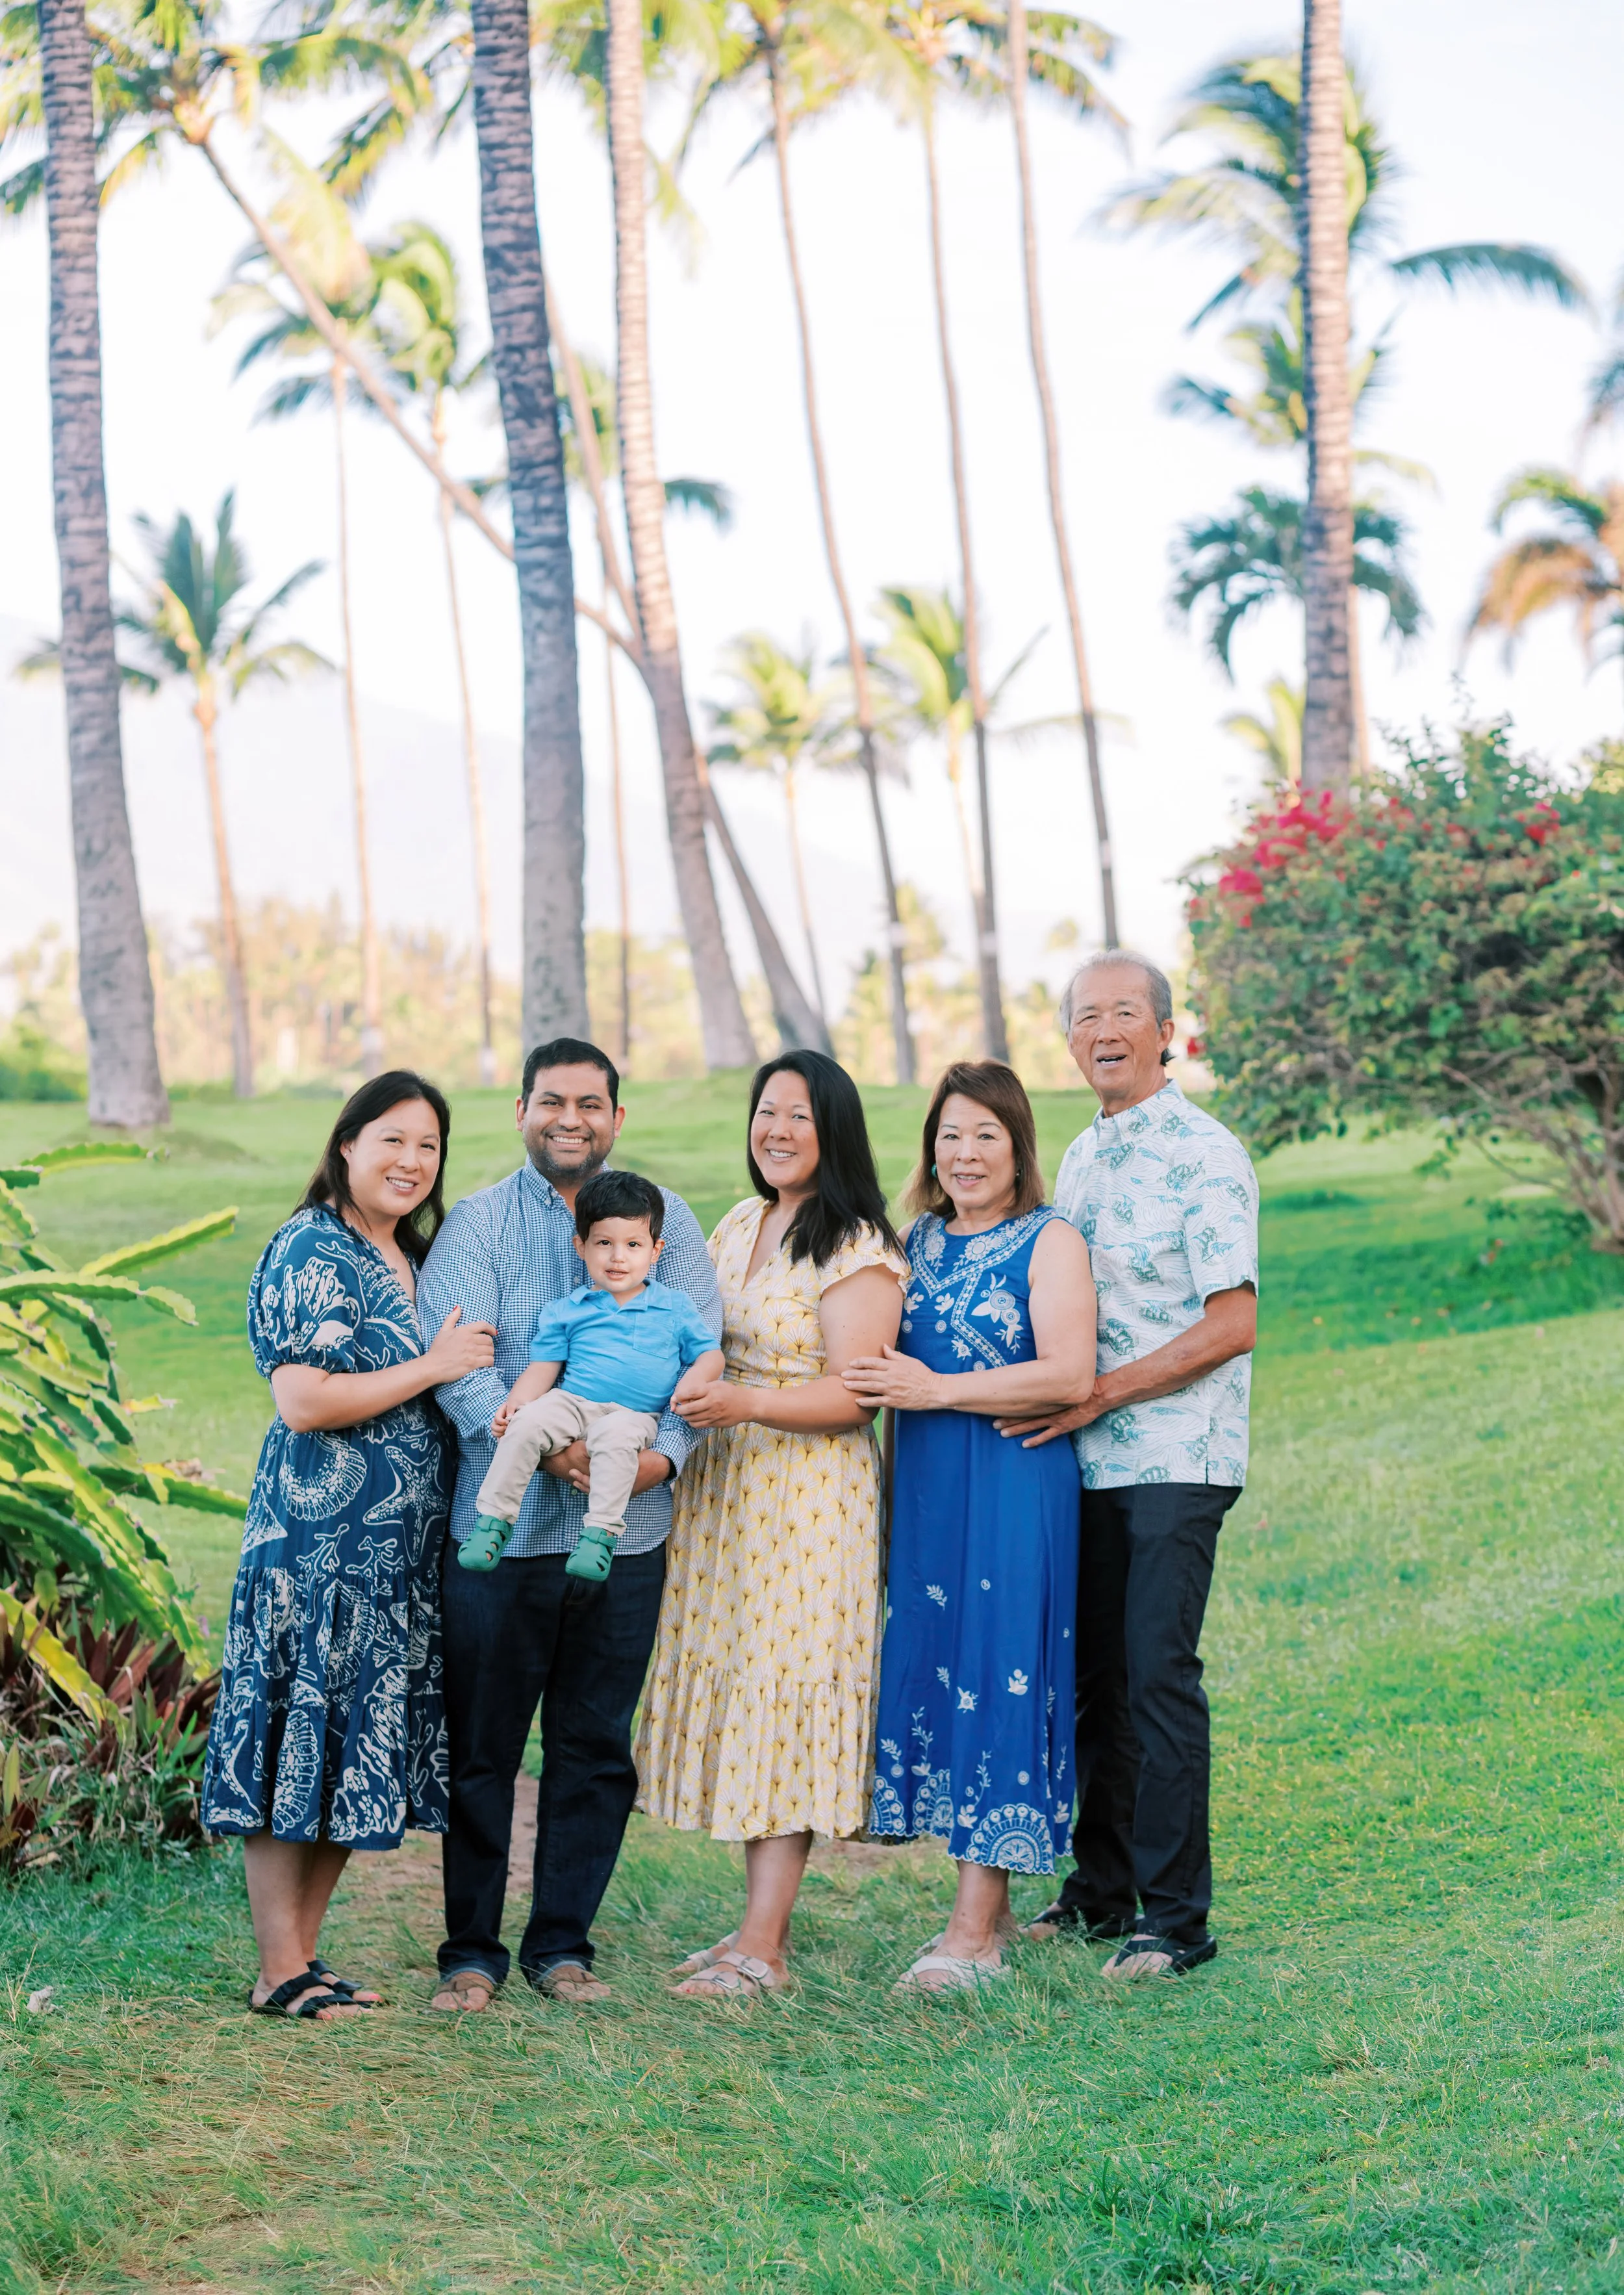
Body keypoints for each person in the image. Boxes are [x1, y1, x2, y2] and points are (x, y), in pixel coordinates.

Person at [416, 1038, 722, 2008]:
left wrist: (658, 1463)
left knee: (593, 1748)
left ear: (617, 1117)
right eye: (553, 1101)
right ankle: (470, 1949)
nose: (571, 1119)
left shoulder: (670, 1225)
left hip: (624, 1536)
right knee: (486, 1747)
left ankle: (562, 1946)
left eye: (591, 1103)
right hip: (500, 1538)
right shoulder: (475, 1225)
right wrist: (554, 1452)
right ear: (521, 1110)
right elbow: (460, 1368)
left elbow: (702, 1368)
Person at [201, 1073, 496, 2022]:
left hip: (391, 1561)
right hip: (316, 1553)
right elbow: (305, 1398)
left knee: (340, 1756)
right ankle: (278, 1968)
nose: (413, 1163)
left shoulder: (403, 1253)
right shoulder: (312, 1246)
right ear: (346, 1146)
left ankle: (302, 1957)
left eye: (430, 1147)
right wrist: (435, 1367)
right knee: (300, 1745)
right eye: (393, 1142)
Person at [1003, 950, 1259, 1982]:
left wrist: (1104, 1393)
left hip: (1176, 1456)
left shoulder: (1207, 1155)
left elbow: (1232, 1323)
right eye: (1085, 1017)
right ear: (1070, 1042)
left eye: (1124, 1013)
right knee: (1097, 1682)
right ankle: (1101, 1896)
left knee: (1157, 1677)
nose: (1104, 1031)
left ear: (1165, 1031)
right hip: (1086, 1461)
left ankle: (1176, 1921)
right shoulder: (1078, 1157)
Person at [636, 1053, 908, 1999]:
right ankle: (748, 1929)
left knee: (786, 1695)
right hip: (728, 1499)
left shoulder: (857, 1242)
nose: (778, 1130)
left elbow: (855, 1397)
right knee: (747, 1693)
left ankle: (765, 1949)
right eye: (766, 1112)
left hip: (808, 1502)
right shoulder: (744, 1222)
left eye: (798, 1115)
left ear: (834, 1130)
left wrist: (744, 1402)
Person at [845, 1062, 1095, 1992]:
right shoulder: (915, 1242)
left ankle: (975, 1937)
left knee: (999, 1672)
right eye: (951, 1134)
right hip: (931, 1496)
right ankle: (970, 1915)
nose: (966, 1152)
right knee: (942, 1675)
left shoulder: (1050, 1239)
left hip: (1014, 1482)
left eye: (986, 1133)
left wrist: (937, 1390)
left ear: (1018, 1145)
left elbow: (1070, 1373)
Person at [462, 1169, 724, 1581]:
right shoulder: (569, 1309)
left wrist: (696, 1379)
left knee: (614, 1440)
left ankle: (599, 1535)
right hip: (573, 1402)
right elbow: (544, 1366)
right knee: (526, 1425)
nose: (618, 1257)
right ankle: (493, 1523)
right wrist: (517, 1404)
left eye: (633, 1245)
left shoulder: (673, 1307)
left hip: (634, 1414)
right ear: (581, 1247)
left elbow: (710, 1354)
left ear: (655, 1251)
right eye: (604, 1243)